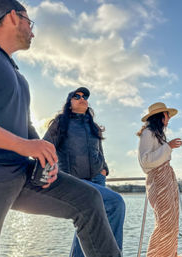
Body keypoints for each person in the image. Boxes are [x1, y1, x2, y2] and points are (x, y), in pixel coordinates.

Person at [0, 1, 121, 257]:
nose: (33, 31)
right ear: (13, 16)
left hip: (19, 174)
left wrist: (42, 151)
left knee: (89, 200)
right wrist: (24, 146)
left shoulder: (19, 77)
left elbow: (24, 126)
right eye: (30, 22)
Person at [43, 87, 125, 257]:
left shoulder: (93, 126)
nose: (82, 98)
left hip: (97, 179)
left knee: (88, 223)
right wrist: (52, 172)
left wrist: (104, 170)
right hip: (74, 181)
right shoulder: (61, 123)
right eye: (77, 96)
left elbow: (100, 151)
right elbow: (45, 147)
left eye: (85, 97)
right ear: (69, 103)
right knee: (116, 203)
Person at [137, 102, 182, 257]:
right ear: (161, 115)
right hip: (158, 180)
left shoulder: (158, 134)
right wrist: (168, 146)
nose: (169, 118)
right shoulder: (147, 133)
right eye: (167, 115)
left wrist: (167, 146)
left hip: (167, 179)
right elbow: (145, 161)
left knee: (172, 222)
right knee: (165, 224)